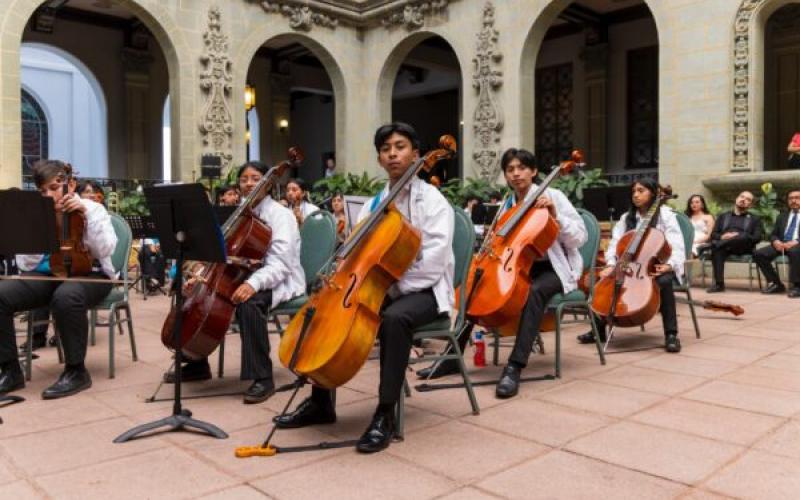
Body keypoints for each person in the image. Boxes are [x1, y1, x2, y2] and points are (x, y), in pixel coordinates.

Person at [273, 122, 455, 453]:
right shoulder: (375, 203)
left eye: (400, 146)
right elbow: (355, 248)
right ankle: (321, 403)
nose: (393, 153)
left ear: (416, 154)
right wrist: (342, 270)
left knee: (395, 320)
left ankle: (385, 412)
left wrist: (384, 287)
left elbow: (434, 263)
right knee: (328, 315)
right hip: (376, 285)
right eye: (386, 149)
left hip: (426, 292)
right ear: (380, 158)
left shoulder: (433, 201)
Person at [417, 149, 587, 397]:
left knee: (534, 292)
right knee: (476, 288)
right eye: (510, 169)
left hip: (552, 267)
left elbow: (579, 238)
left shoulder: (553, 196)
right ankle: (451, 357)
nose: (516, 174)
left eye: (521, 168)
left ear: (534, 171)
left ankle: (514, 366)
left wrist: (555, 216)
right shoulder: (507, 203)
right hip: (516, 264)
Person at [162, 161, 306, 404]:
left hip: (279, 279)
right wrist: (199, 274)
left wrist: (253, 284)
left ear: (268, 183)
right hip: (238, 273)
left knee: (248, 303)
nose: (249, 183)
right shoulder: (237, 213)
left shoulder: (281, 216)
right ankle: (197, 362)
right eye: (244, 179)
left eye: (255, 178)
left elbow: (281, 264)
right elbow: (222, 253)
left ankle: (262, 377)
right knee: (188, 290)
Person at [0, 160, 117, 398]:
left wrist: (85, 214)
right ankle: (10, 370)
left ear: (71, 184)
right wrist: (34, 231)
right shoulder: (39, 213)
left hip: (91, 274)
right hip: (50, 274)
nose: (49, 195)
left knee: (67, 295)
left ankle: (76, 371)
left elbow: (105, 250)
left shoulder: (93, 209)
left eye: (54, 187)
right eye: (43, 191)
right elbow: (27, 265)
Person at [576, 180, 685, 353]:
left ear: (652, 193)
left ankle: (671, 334)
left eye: (641, 191)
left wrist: (670, 265)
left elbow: (677, 245)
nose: (636, 194)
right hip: (627, 265)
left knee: (664, 282)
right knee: (602, 281)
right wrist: (612, 264)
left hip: (656, 266)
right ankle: (598, 330)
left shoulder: (666, 215)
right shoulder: (626, 218)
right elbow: (614, 244)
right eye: (634, 191)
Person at [702, 191, 762, 293]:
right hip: (725, 247)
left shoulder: (754, 219)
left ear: (750, 205)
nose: (743, 200)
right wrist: (722, 236)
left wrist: (738, 236)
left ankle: (717, 245)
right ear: (736, 199)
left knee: (742, 236)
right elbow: (714, 234)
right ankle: (719, 284)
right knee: (718, 251)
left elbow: (757, 237)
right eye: (742, 196)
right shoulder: (723, 216)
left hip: (743, 247)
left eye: (747, 199)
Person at [754, 189, 800, 297]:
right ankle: (776, 284)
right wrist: (775, 241)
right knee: (759, 254)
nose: (794, 200)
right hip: (781, 245)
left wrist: (796, 241)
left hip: (797, 245)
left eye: (797, 198)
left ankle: (797, 286)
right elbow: (773, 234)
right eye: (791, 198)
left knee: (795, 252)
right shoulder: (782, 216)